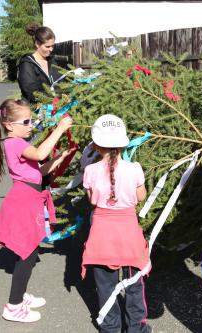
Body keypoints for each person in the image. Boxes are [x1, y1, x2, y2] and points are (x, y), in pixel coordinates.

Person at [0, 99, 73, 322]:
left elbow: (39, 169)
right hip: (24, 201)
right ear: (9, 125)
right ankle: (13, 306)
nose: (31, 125)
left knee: (30, 252)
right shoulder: (14, 142)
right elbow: (39, 154)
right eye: (26, 122)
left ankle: (20, 295)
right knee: (28, 254)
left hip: (29, 197)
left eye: (32, 120)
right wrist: (61, 129)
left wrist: (59, 158)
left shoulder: (17, 142)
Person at [81, 114, 151, 333]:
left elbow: (92, 200)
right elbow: (141, 197)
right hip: (129, 234)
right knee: (133, 284)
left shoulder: (90, 171)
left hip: (101, 235)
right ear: (123, 143)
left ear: (96, 145)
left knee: (105, 285)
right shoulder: (135, 169)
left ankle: (110, 327)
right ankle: (136, 328)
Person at [18, 25, 60, 104]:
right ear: (37, 44)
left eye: (52, 46)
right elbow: (32, 92)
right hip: (34, 110)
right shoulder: (27, 64)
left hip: (54, 107)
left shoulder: (52, 61)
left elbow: (60, 83)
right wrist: (54, 98)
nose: (51, 49)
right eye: (47, 46)